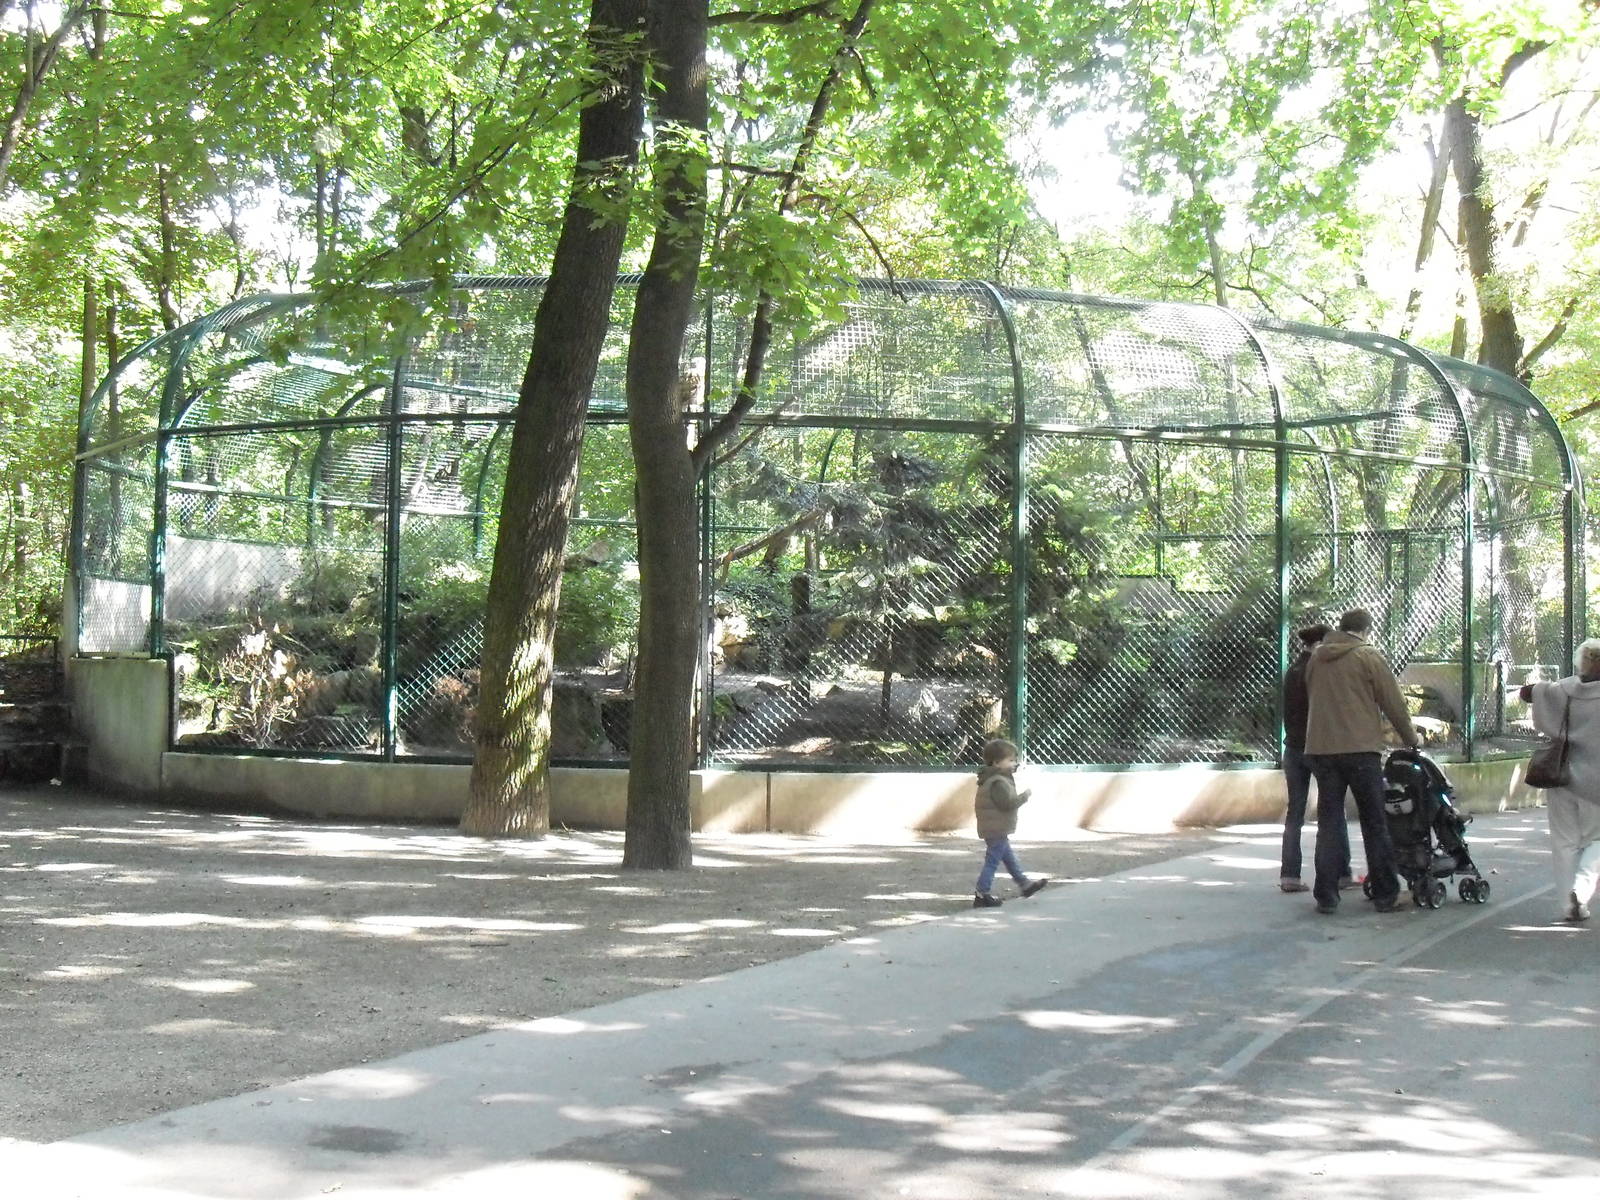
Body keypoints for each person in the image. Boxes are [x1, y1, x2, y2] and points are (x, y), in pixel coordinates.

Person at [1303, 608, 1420, 914]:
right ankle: (1386, 893)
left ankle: (1326, 895)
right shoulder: (1368, 656)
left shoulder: (1316, 658)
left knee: (1329, 823)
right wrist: (1410, 738)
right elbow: (1393, 702)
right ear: (1366, 630)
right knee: (1375, 822)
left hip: (1322, 749)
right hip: (1361, 750)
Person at [1519, 639, 1600, 922]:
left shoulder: (1564, 689)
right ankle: (1582, 890)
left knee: (1564, 842)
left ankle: (1568, 905)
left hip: (1561, 776)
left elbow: (1527, 693)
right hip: (1597, 785)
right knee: (1597, 840)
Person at [1279, 623, 1353, 893]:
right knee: (1333, 810)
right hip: (1320, 747)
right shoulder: (1320, 670)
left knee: (1295, 812)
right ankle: (1341, 873)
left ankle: (1289, 875)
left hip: (1293, 748)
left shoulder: (1292, 670)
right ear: (1320, 643)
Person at [972, 738, 1048, 908]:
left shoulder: (993, 778)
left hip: (994, 827)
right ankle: (981, 893)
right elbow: (1007, 804)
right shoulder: (998, 782)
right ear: (997, 762)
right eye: (1011, 760)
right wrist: (1025, 796)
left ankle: (1025, 884)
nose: (1015, 763)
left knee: (1009, 858)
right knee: (992, 861)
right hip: (996, 827)